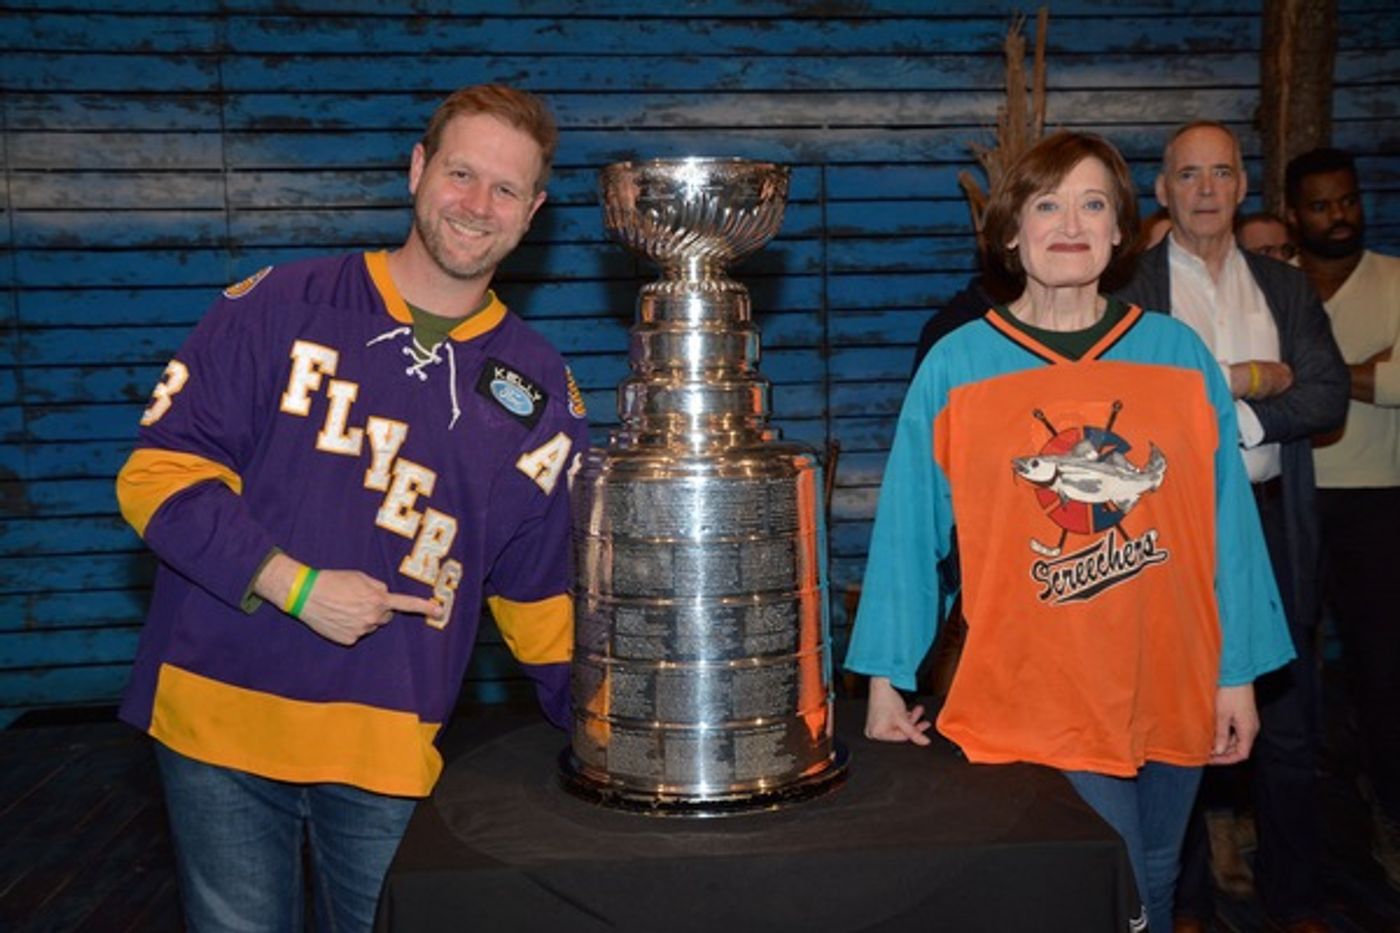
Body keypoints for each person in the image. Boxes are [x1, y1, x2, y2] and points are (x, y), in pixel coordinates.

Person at [115, 84, 590, 932]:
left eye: (506, 189)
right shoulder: (274, 306)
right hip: (216, 725)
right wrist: (293, 584)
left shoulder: (539, 385)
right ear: (417, 169)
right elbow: (155, 479)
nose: (477, 205)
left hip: (386, 743)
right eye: (461, 173)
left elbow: (539, 589)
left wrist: (610, 732)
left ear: (534, 212)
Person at [844, 130, 1293, 933]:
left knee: (1155, 869)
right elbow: (912, 527)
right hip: (1035, 686)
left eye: (1093, 203)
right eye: (1047, 204)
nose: (1071, 222)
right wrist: (887, 675)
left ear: (1123, 230)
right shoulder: (958, 363)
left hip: (1172, 670)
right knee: (1103, 879)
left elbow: (1228, 526)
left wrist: (1239, 673)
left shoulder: (1178, 355)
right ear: (1011, 231)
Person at [1116, 121, 1348, 933]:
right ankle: (1179, 904)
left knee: (1287, 726)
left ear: (1243, 186)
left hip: (1272, 521)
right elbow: (1133, 403)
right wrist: (1250, 379)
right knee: (1170, 723)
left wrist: (1236, 421)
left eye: (1221, 173)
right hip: (1166, 532)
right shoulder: (1129, 286)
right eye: (1189, 175)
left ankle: (1296, 902)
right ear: (1162, 191)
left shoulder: (1283, 288)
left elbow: (1326, 395)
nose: (1207, 189)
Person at [1287, 146, 1400, 891]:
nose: (1341, 215)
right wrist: (1369, 372)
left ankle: (1389, 815)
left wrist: (1311, 378)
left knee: (1384, 668)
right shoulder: (1278, 284)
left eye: (1350, 200)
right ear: (1297, 214)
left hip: (1379, 496)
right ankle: (1283, 833)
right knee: (1286, 669)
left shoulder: (1395, 278)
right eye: (1324, 204)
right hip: (1288, 493)